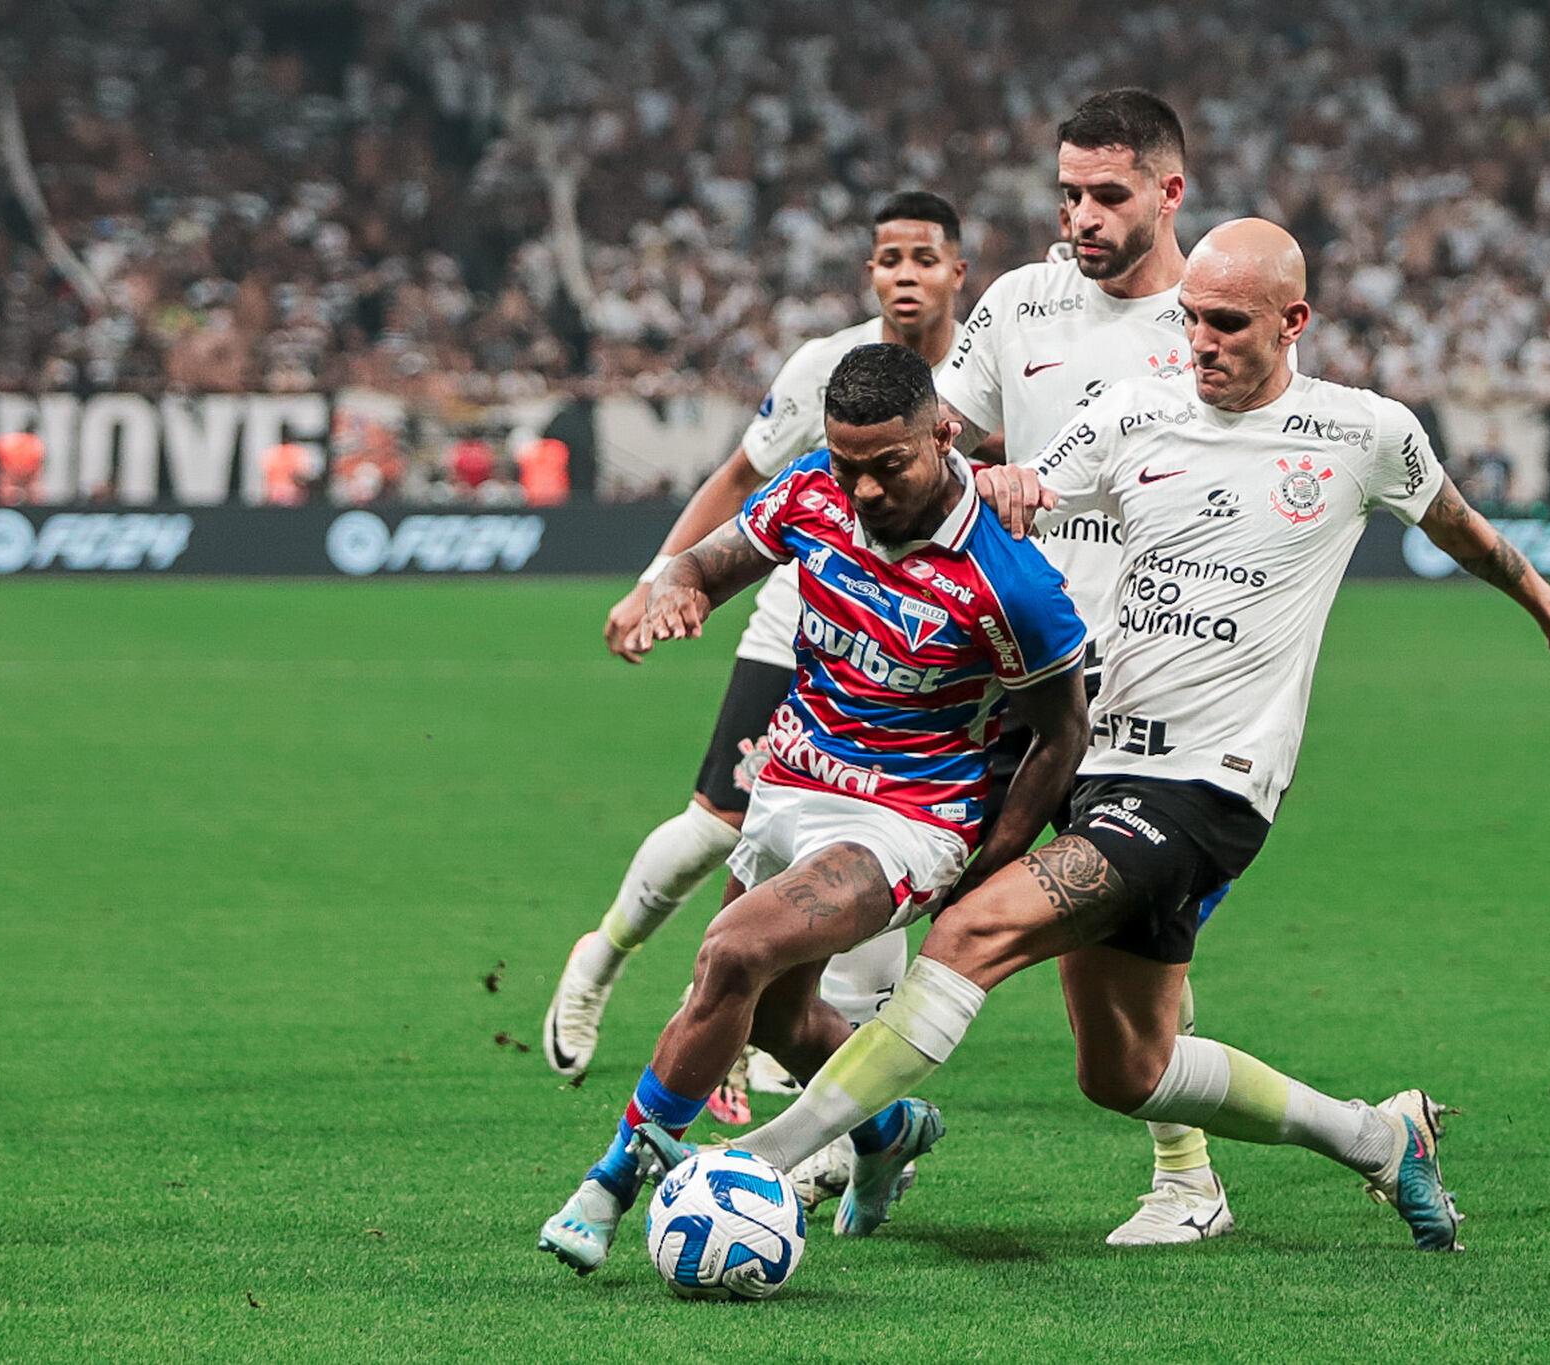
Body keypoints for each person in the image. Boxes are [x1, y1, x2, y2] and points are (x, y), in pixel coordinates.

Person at [705, 218, 1550, 1254]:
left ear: (1294, 321)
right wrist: (1001, 484)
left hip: (1211, 783)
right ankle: (1378, 1137)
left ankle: (761, 1158)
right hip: (1103, 762)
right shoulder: (1135, 413)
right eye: (1191, 320)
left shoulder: (1362, 432)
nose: (1202, 342)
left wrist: (1548, 607)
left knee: (968, 935)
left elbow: (1459, 527)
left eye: (1228, 324)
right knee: (1124, 1069)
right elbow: (1029, 485)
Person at [538, 342, 1090, 1273]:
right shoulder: (810, 494)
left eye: (889, 465)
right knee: (772, 1018)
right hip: (791, 780)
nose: (864, 489)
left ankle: (610, 1184)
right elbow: (706, 564)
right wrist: (679, 592)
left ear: (944, 434)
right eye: (847, 464)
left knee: (732, 952)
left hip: (905, 819)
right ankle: (888, 1129)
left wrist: (988, 863)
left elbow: (1062, 733)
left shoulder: (1011, 584)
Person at [542, 193, 971, 1112]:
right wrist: (658, 579)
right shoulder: (824, 366)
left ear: (956, 273)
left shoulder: (990, 367)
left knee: (872, 838)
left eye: (924, 257)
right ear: (870, 272)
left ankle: (789, 1034)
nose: (905, 275)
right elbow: (741, 476)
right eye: (889, 258)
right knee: (718, 828)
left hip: (925, 645)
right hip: (802, 632)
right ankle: (603, 957)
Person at [934, 86, 1257, 1246]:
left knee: (1119, 977)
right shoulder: (1020, 303)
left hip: (1149, 691)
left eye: (1106, 194)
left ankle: (1189, 1179)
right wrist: (966, 479)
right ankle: (854, 1132)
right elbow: (935, 437)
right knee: (912, 872)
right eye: (1067, 192)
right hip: (1014, 673)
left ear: (1169, 193)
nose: (1079, 215)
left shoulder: (1217, 329)